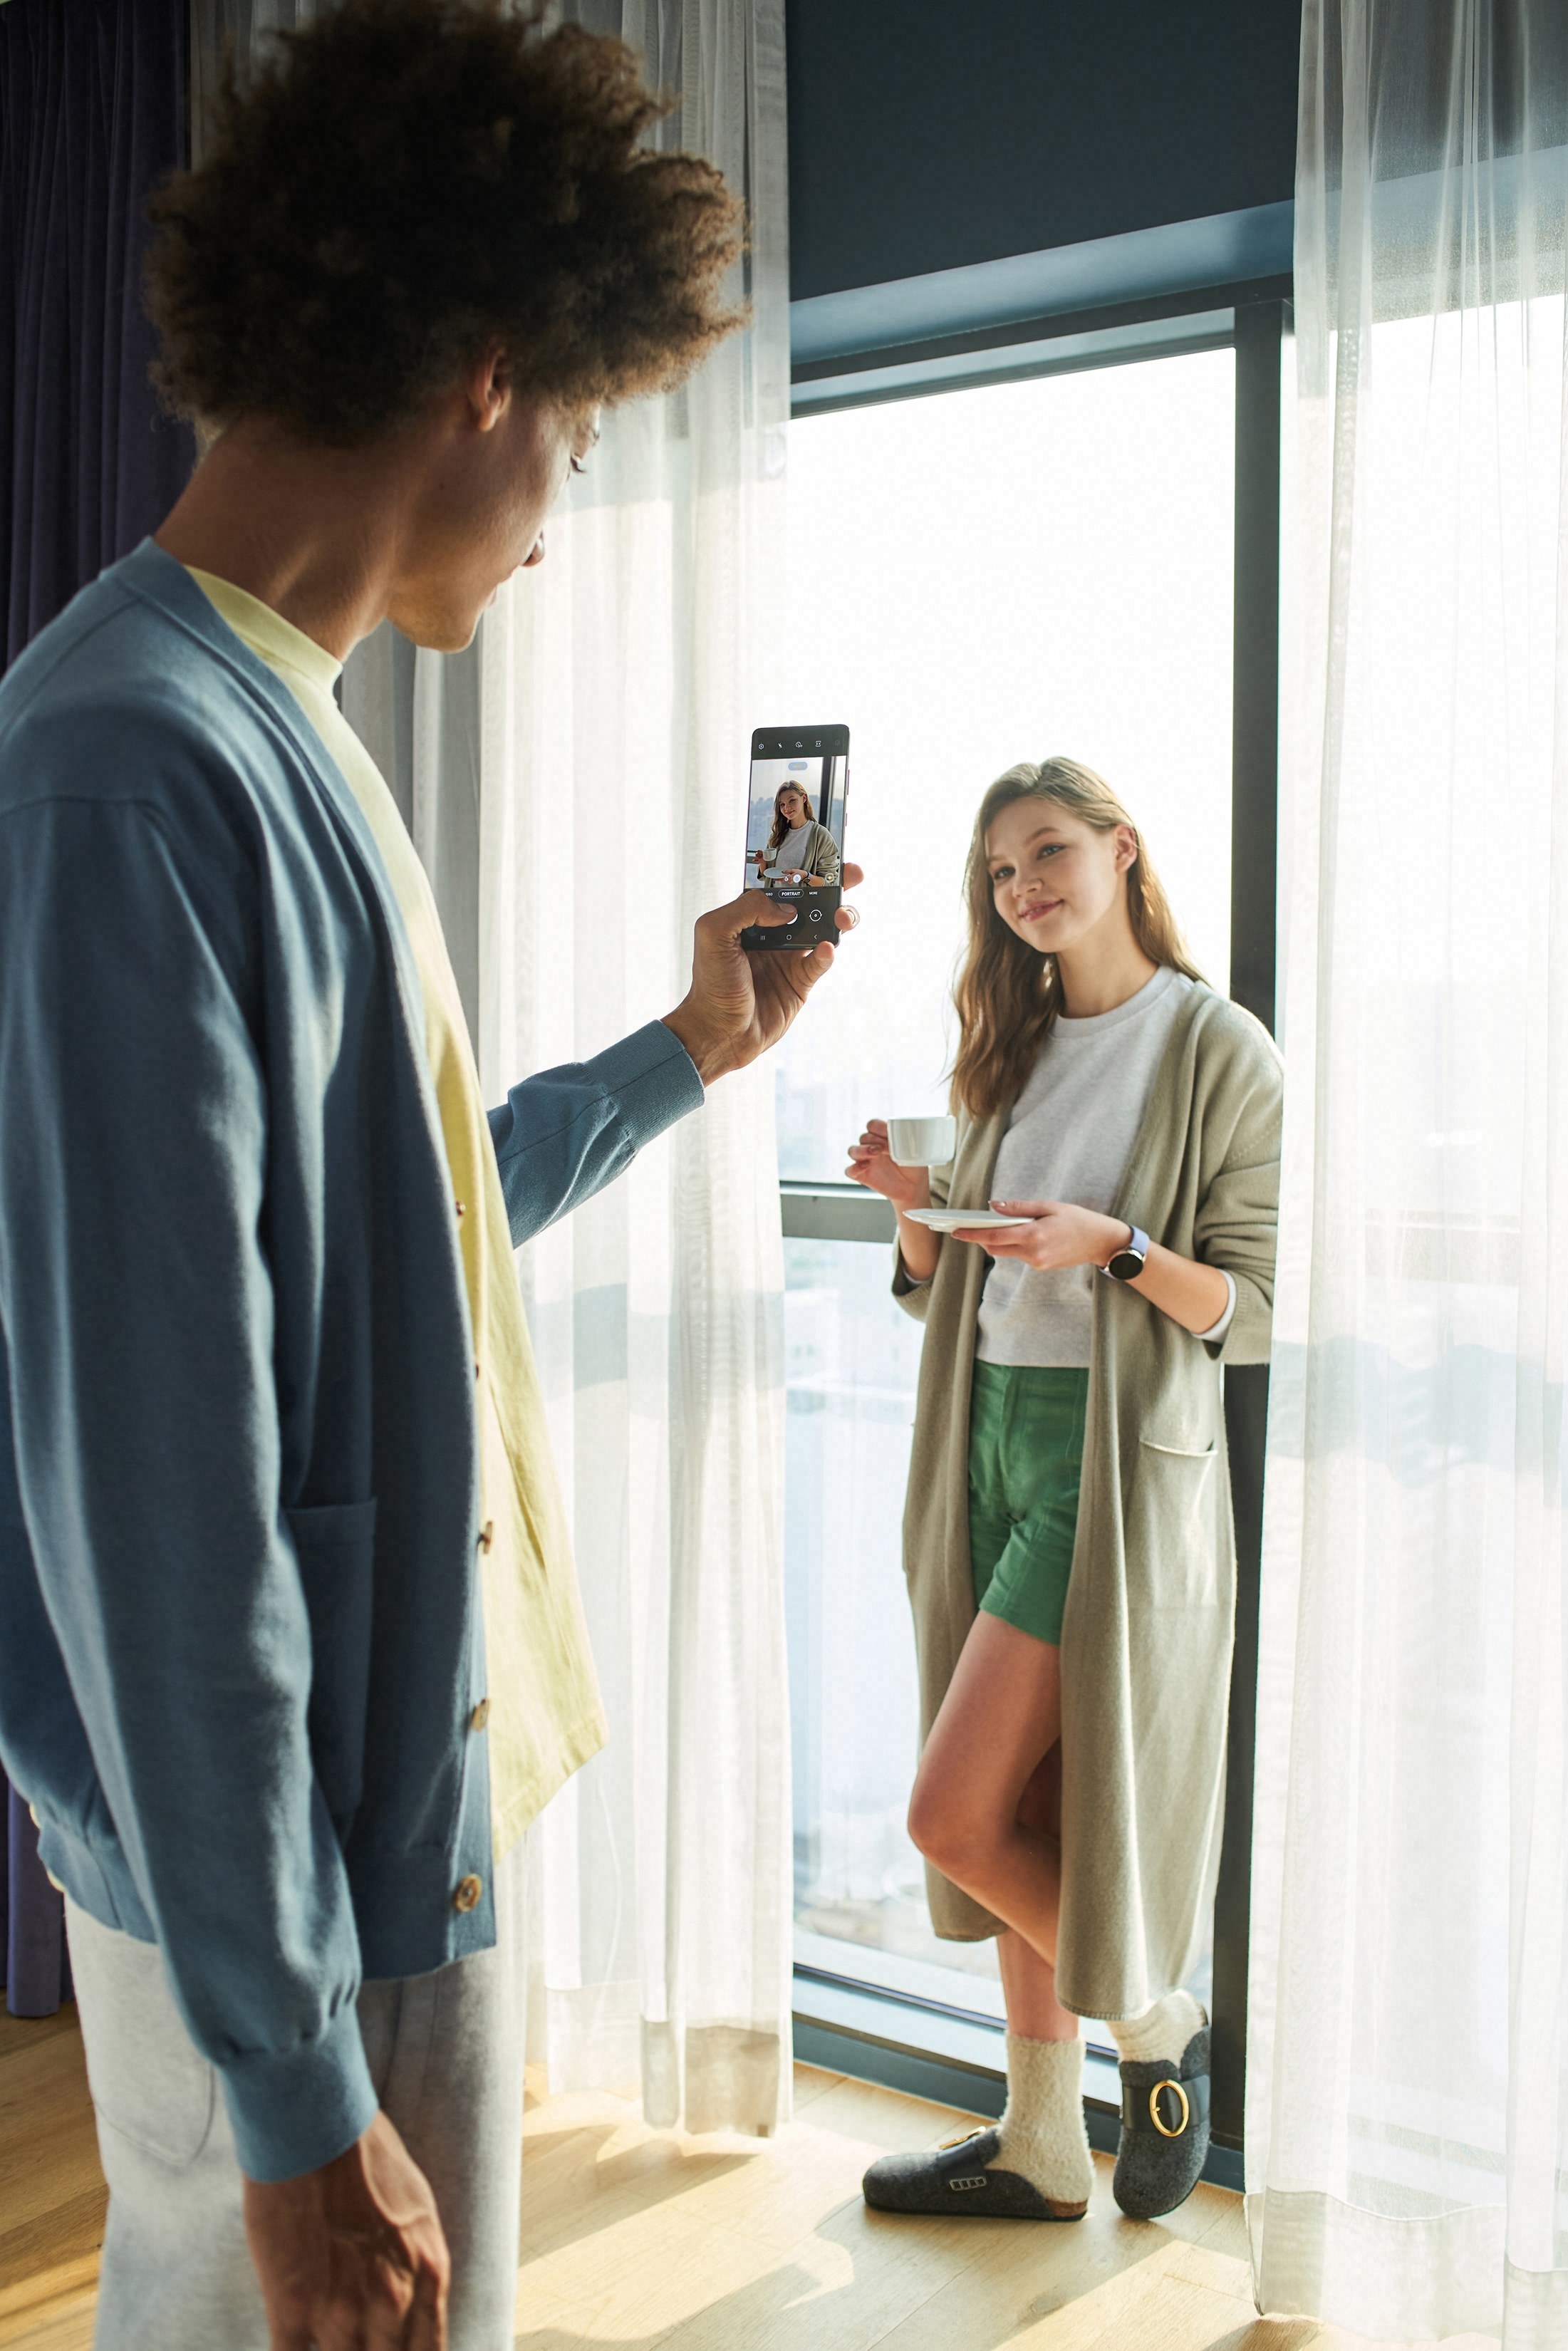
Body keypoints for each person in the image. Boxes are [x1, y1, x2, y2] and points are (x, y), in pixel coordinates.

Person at [0, 7, 858, 2349]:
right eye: (582, 424)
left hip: (371, 1831)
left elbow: (389, 1234)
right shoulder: (129, 769)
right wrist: (292, 2097)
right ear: (490, 369)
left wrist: (696, 1047)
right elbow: (154, 1484)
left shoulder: (278, 723)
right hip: (286, 1889)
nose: (574, 501)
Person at [845, 757, 1278, 2226]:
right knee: (1015, 1796)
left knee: (950, 1814)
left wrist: (1110, 1247)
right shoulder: (1008, 1044)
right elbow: (943, 1291)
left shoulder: (1216, 1049)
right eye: (997, 870)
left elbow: (1256, 1308)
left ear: (1119, 849)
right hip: (979, 1448)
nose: (1021, 886)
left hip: (1102, 1470)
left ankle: (1153, 2024)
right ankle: (1036, 2140)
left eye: (1045, 851)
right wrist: (916, 1227)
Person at [749, 779, 841, 887]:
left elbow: (829, 882)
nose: (787, 808)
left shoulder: (820, 835)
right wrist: (763, 862)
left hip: (801, 900)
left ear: (804, 798)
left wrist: (805, 876)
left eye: (792, 800)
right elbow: (766, 877)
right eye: (782, 804)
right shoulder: (778, 834)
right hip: (775, 897)